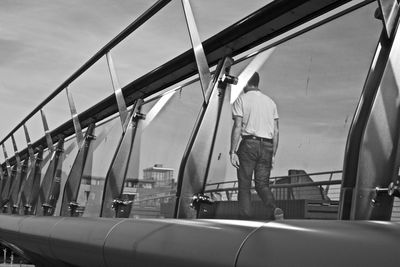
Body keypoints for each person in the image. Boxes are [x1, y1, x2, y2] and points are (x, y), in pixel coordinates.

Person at [230, 72, 283, 220]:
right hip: (267, 146)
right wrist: (273, 154)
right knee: (262, 184)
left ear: (246, 83)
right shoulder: (271, 102)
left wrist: (232, 151)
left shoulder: (241, 100)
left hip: (249, 144)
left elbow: (237, 126)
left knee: (244, 185)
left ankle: (245, 219)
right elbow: (276, 131)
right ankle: (274, 209)